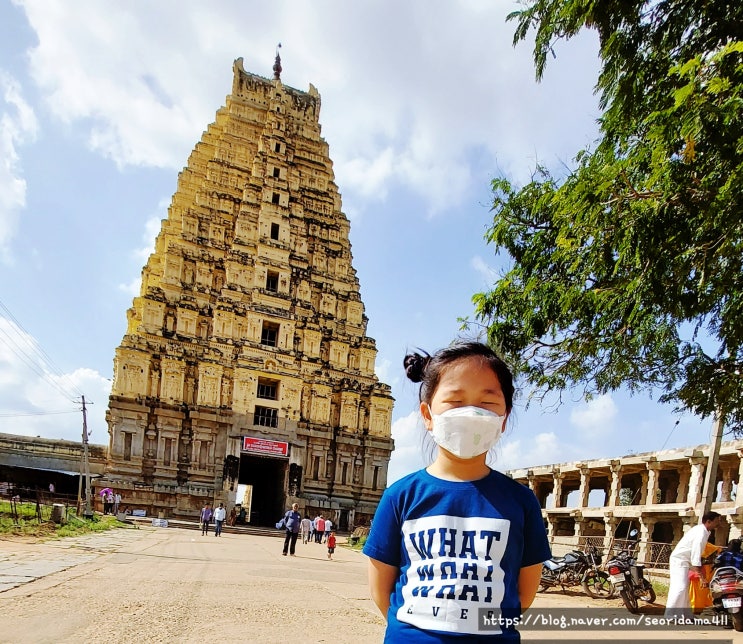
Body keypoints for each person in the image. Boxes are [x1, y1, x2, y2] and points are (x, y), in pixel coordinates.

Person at [363, 341, 551, 641]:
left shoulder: (521, 501)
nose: (471, 413)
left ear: (504, 418)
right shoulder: (400, 496)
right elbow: (380, 590)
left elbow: (524, 595)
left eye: (487, 403)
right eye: (455, 401)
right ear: (427, 415)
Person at [665, 511, 723, 619]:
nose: (719, 523)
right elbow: (696, 555)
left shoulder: (705, 531)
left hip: (687, 561)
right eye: (717, 521)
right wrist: (702, 577)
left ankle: (686, 615)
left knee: (684, 588)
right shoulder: (701, 533)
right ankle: (670, 615)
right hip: (680, 560)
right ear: (709, 521)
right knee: (679, 588)